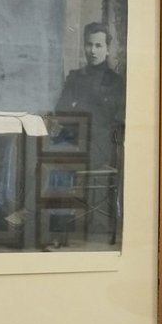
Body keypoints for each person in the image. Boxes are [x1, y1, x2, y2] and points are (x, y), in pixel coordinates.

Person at [55, 22, 126, 236]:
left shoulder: (116, 82)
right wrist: (89, 111)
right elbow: (61, 111)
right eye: (89, 44)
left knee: (56, 159)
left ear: (108, 49)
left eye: (98, 45)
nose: (93, 50)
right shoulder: (75, 77)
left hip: (100, 144)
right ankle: (52, 222)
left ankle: (54, 222)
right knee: (46, 156)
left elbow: (116, 118)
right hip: (72, 138)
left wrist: (79, 108)